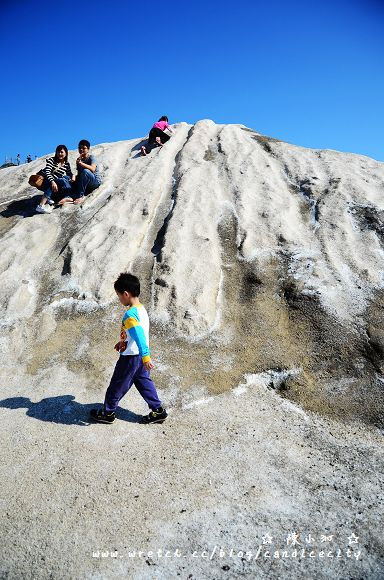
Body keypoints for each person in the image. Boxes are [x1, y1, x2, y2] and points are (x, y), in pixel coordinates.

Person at [90, 272, 168, 424]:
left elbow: (139, 336)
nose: (119, 299)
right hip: (138, 357)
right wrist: (123, 342)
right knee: (144, 383)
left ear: (126, 294)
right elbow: (134, 334)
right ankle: (158, 411)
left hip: (131, 358)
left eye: (119, 296)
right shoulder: (141, 309)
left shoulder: (130, 315)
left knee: (116, 385)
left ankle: (108, 413)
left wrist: (146, 356)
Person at [35, 145, 74, 214]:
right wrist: (52, 182)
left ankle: (51, 197)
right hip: (45, 180)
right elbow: (47, 172)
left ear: (66, 153)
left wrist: (73, 176)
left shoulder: (66, 164)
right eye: (58, 152)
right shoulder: (51, 160)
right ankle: (40, 206)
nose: (59, 154)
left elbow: (69, 174)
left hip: (55, 181)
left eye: (61, 152)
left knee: (63, 179)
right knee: (54, 183)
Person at [69, 139, 102, 205]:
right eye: (79, 148)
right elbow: (80, 174)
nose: (81, 150)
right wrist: (74, 178)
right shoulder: (79, 160)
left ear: (88, 149)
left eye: (84, 148)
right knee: (68, 178)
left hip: (94, 182)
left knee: (86, 171)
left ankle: (80, 196)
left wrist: (81, 164)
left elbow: (92, 169)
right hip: (86, 184)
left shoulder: (91, 157)